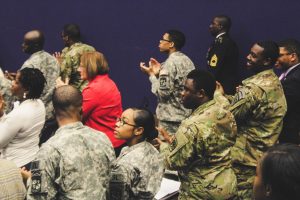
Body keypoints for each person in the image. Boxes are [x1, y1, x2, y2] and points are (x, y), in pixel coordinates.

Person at [215, 41, 287, 199]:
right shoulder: (273, 82)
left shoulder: (253, 88)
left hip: (244, 161)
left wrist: (219, 97)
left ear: (267, 61)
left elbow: (228, 118)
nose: (247, 57)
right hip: (262, 158)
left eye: (253, 56)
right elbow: (252, 109)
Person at [157, 69, 238, 199]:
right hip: (227, 186)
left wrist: (164, 146)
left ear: (201, 93)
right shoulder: (225, 110)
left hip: (200, 193)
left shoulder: (190, 126)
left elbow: (173, 162)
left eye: (187, 90)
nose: (182, 94)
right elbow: (220, 98)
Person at [26, 85, 116, 199]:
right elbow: (114, 183)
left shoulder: (49, 150)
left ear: (54, 112)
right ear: (82, 109)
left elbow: (37, 197)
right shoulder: (103, 139)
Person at [140, 30, 195, 135]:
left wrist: (151, 75)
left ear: (171, 44)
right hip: (186, 115)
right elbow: (177, 84)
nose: (159, 42)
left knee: (168, 149)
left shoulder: (169, 64)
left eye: (162, 40)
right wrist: (158, 74)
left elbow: (163, 94)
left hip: (171, 120)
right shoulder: (187, 60)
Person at [109, 107, 164, 199]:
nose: (117, 124)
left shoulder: (124, 165)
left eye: (123, 122)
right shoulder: (152, 149)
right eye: (119, 119)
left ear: (138, 130)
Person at [78, 51, 125, 155]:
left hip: (103, 145)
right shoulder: (108, 82)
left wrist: (63, 91)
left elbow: (76, 118)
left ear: (90, 67)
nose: (78, 70)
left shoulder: (93, 89)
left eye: (81, 66)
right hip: (114, 141)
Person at [0, 68, 46, 169]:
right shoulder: (40, 104)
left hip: (17, 167)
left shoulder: (19, 114)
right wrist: (2, 115)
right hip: (32, 160)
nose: (12, 83)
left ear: (26, 89)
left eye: (16, 82)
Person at [21, 30, 60, 121]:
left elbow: (25, 92)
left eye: (26, 43)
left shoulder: (29, 65)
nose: (22, 45)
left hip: (36, 115)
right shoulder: (53, 60)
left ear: (35, 45)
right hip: (53, 113)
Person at [55, 24, 95, 91]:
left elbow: (64, 80)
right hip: (92, 89)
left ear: (67, 38)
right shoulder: (91, 49)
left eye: (62, 36)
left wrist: (59, 65)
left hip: (76, 93)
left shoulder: (68, 55)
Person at [276, 39, 300, 144]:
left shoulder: (295, 78)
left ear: (293, 56)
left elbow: (285, 107)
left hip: (290, 134)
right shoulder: (288, 74)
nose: (275, 59)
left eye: (279, 55)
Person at [207, 15, 239, 95]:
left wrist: (207, 85)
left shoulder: (222, 43)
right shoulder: (223, 41)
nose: (210, 26)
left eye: (213, 24)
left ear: (220, 26)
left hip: (222, 88)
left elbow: (214, 68)